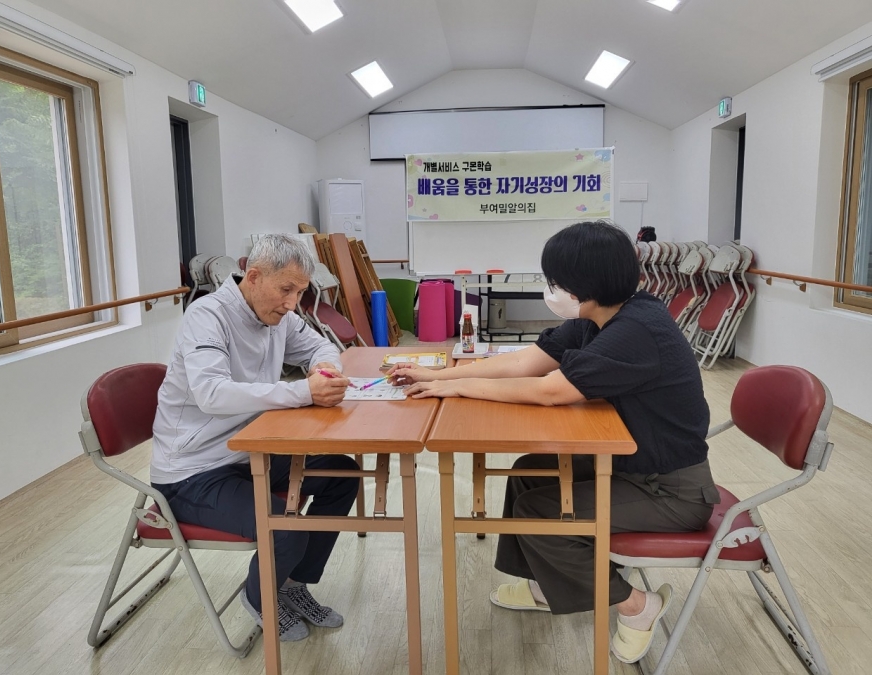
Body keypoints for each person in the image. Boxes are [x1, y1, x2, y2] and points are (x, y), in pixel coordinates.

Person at [388, 220, 719, 664]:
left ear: (587, 284)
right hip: (634, 466)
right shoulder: (600, 317)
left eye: (557, 281)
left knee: (539, 513)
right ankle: (545, 586)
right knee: (530, 471)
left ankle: (637, 605)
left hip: (671, 491)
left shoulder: (636, 330)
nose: (552, 289)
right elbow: (525, 363)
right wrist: (439, 375)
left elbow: (549, 391)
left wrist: (456, 388)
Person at [151, 234, 359, 642]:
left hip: (249, 451)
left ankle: (291, 585)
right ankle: (260, 598)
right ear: (254, 276)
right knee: (285, 526)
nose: (292, 303)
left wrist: (325, 370)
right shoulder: (207, 316)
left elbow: (320, 346)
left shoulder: (278, 314)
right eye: (286, 290)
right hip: (193, 471)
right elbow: (212, 394)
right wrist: (304, 392)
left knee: (342, 474)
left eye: (300, 292)